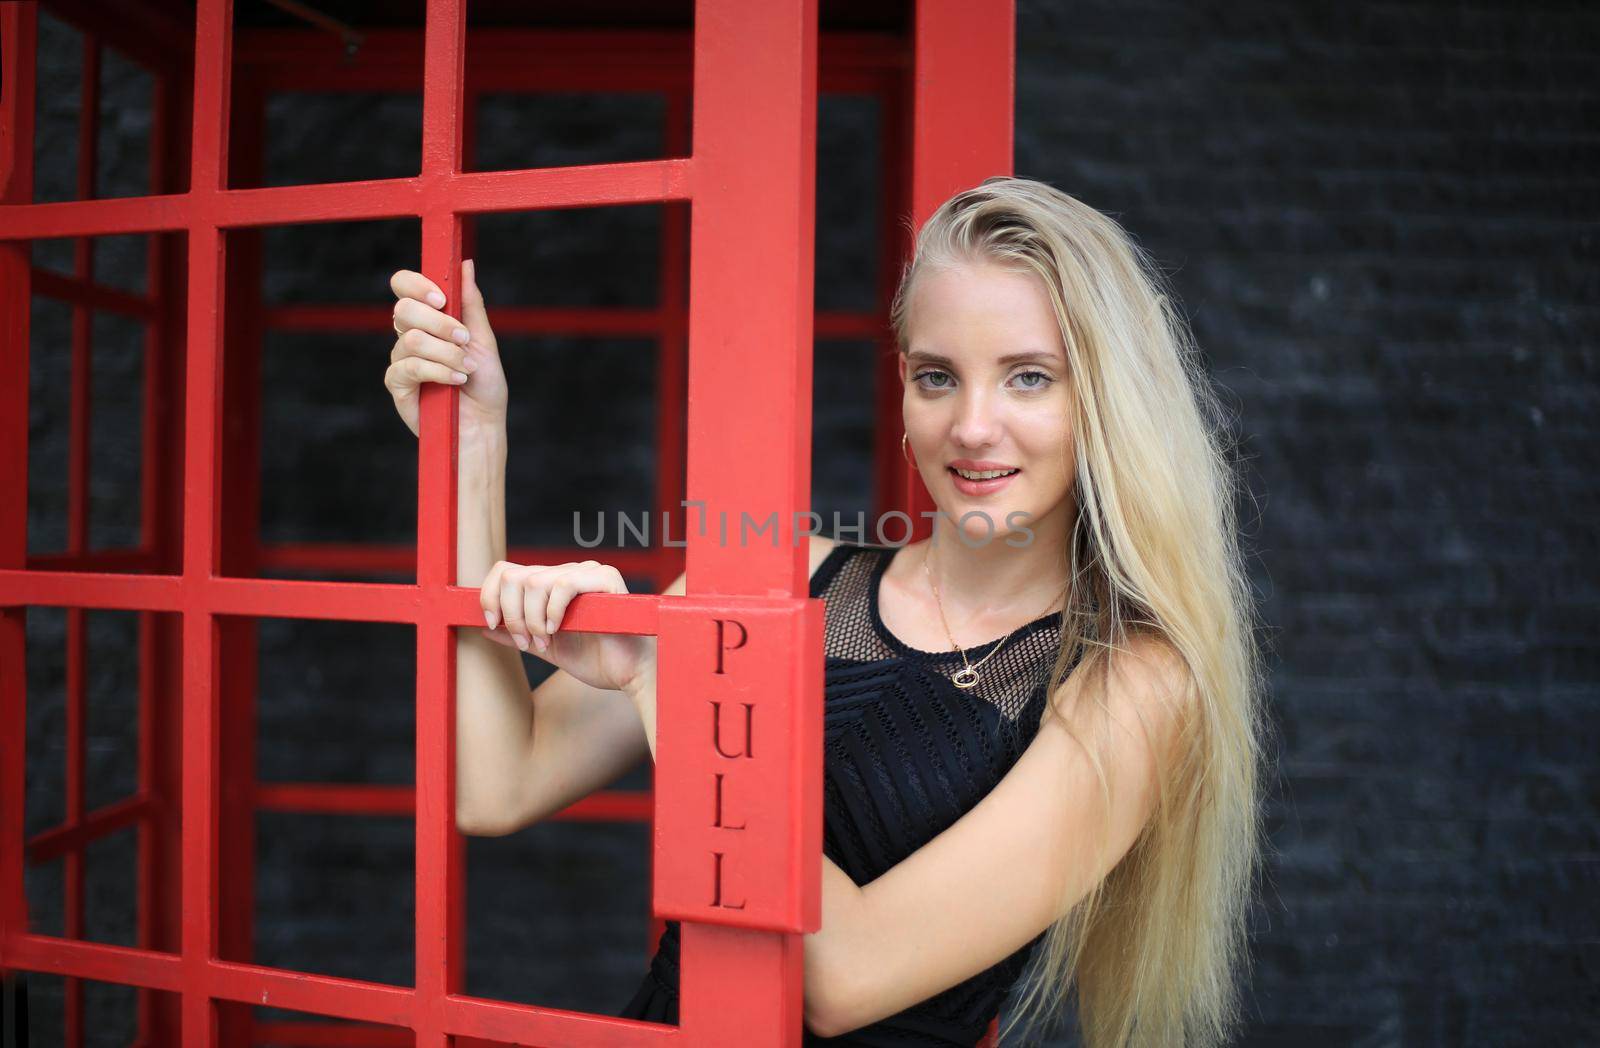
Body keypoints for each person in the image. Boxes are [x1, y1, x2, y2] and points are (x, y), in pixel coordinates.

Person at [383, 176, 1265, 1047]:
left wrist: (668, 680)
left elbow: (844, 979)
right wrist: (473, 447)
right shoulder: (784, 577)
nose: (972, 426)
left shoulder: (1132, 682)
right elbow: (500, 784)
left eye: (1029, 378)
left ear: (1104, 401)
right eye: (937, 377)